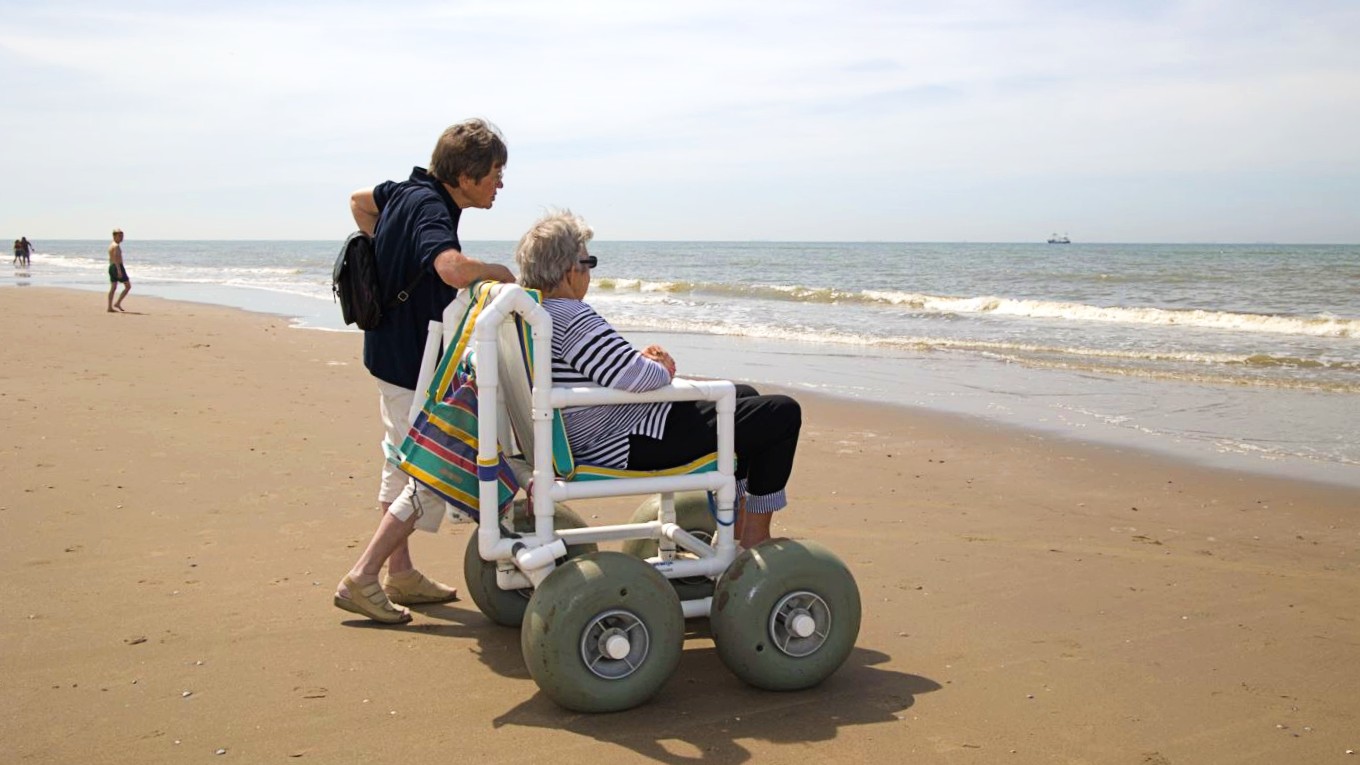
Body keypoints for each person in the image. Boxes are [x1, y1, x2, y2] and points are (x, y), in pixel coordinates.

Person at [514, 210, 802, 548]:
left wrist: (638, 363)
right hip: (620, 441)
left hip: (587, 431)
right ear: (568, 270)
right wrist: (662, 366)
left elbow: (607, 367)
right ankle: (754, 535)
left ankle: (738, 524)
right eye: (587, 261)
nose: (590, 271)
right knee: (781, 413)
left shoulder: (533, 314)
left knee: (744, 395)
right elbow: (640, 376)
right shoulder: (570, 315)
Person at [334, 118, 515, 625]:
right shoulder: (433, 207)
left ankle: (401, 573)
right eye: (495, 173)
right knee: (428, 469)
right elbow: (452, 269)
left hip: (387, 351)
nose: (500, 183)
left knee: (400, 459)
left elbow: (358, 201)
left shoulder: (405, 191)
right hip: (411, 360)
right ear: (465, 174)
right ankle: (363, 576)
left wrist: (388, 250)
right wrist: (500, 273)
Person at [107, 229, 130, 312]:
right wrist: (119, 270)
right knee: (128, 286)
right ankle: (117, 303)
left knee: (113, 287)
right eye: (119, 236)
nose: (121, 238)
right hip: (117, 267)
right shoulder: (116, 246)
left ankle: (109, 307)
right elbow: (116, 259)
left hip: (111, 267)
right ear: (114, 236)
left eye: (122, 236)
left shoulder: (111, 245)